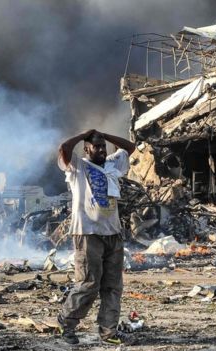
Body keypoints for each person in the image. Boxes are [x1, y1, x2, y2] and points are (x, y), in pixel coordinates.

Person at [56, 129, 136, 345]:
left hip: (113, 232)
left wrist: (105, 136)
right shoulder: (78, 167)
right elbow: (64, 148)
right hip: (87, 232)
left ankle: (109, 332)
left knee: (112, 286)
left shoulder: (112, 163)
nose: (101, 149)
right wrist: (84, 134)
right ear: (86, 148)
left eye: (103, 146)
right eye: (96, 146)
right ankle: (67, 323)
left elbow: (129, 148)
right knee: (89, 283)